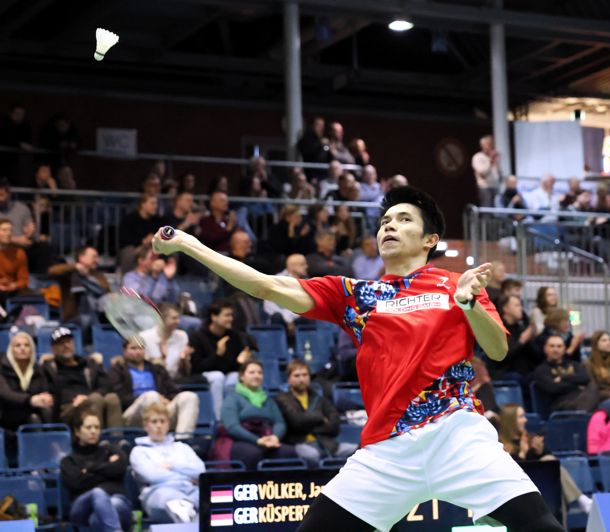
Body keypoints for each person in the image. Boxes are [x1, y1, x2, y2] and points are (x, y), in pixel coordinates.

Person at [152, 185, 565, 531]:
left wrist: (469, 303)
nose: (389, 226)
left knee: (541, 526)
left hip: (456, 434)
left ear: (429, 239)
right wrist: (190, 244)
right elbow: (265, 286)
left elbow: (497, 350)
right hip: (387, 448)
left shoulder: (456, 285)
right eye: (385, 221)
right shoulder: (356, 295)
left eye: (403, 219)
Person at [497, 404, 592, 514]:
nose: (525, 420)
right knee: (550, 466)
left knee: (550, 462)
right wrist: (523, 453)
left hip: (543, 483)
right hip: (520, 489)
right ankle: (581, 499)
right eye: (521, 417)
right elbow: (514, 470)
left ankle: (578, 503)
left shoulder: (530, 438)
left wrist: (540, 450)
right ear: (511, 421)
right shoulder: (501, 445)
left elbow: (552, 462)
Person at [130, 402, 204, 524]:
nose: (159, 425)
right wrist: (187, 476)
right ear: (146, 426)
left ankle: (188, 514)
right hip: (158, 493)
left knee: (208, 497)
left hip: (190, 491)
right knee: (173, 503)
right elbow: (152, 476)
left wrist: (172, 466)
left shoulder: (182, 447)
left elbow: (200, 470)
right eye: (154, 422)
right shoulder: (139, 451)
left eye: (162, 421)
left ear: (168, 424)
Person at [61, 407, 133, 532]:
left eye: (97, 427)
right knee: (97, 493)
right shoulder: (69, 461)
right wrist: (106, 469)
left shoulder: (110, 450)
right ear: (77, 431)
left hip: (116, 499)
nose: (93, 431)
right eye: (88, 427)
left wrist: (90, 469)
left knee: (97, 518)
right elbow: (77, 482)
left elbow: (120, 467)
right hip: (82, 507)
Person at [275, 360, 358, 468]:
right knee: (312, 455)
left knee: (357, 450)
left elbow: (335, 425)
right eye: (297, 375)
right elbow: (297, 421)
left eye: (305, 375)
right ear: (288, 379)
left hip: (326, 443)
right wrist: (321, 418)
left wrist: (308, 423)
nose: (301, 379)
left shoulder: (319, 399)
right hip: (299, 443)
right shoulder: (283, 398)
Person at [109, 337, 199, 435]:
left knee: (189, 397)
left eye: (140, 348)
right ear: (125, 350)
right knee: (151, 396)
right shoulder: (118, 370)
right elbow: (121, 397)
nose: (138, 352)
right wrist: (153, 397)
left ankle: (183, 438)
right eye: (133, 348)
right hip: (133, 414)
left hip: (162, 409)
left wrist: (166, 400)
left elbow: (173, 390)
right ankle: (153, 438)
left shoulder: (157, 368)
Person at [219, 360, 297, 470]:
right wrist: (257, 440)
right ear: (242, 376)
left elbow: (279, 422)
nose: (257, 376)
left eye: (260, 373)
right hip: (240, 440)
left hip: (267, 438)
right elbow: (232, 427)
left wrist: (275, 437)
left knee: (288, 452)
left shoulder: (268, 400)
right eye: (252, 372)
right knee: (253, 454)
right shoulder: (232, 398)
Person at [42, 327, 123, 427]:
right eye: (61, 343)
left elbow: (107, 386)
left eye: (68, 342)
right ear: (53, 349)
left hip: (91, 400)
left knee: (112, 398)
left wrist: (86, 397)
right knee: (96, 399)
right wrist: (75, 401)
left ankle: (117, 436)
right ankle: (95, 436)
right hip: (67, 408)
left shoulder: (89, 364)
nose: (66, 345)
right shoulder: (48, 368)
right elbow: (48, 394)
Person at [189, 300, 254, 419]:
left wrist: (239, 362)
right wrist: (217, 355)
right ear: (214, 317)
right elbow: (197, 367)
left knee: (234, 378)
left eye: (231, 315)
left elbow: (231, 367)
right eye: (227, 315)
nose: (231, 319)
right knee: (218, 377)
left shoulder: (234, 336)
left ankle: (232, 416)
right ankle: (219, 419)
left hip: (226, 374)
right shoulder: (197, 337)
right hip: (205, 374)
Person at [0, 331, 53, 462]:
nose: (22, 348)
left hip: (31, 415)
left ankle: (40, 460)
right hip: (7, 415)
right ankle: (44, 456)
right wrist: (31, 400)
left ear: (32, 349)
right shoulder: (2, 368)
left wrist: (45, 399)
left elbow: (44, 391)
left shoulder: (38, 369)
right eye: (18, 345)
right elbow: (5, 394)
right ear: (11, 349)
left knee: (41, 414)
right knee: (35, 418)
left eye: (26, 345)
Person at [533, 335, 598, 414]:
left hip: (582, 398)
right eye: (552, 346)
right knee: (591, 399)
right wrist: (577, 386)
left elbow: (585, 378)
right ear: (545, 349)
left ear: (564, 349)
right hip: (560, 405)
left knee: (593, 387)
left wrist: (563, 378)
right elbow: (553, 388)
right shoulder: (541, 369)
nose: (555, 349)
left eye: (559, 346)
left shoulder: (574, 364)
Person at [48, 245, 110, 327]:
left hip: (99, 315)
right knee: (86, 319)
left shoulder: (99, 275)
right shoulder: (70, 274)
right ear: (82, 258)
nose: (97, 260)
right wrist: (75, 267)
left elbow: (107, 292)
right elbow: (52, 271)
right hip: (74, 317)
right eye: (94, 257)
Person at [140, 302, 192, 380]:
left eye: (178, 318)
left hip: (175, 381)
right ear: (161, 318)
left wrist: (184, 360)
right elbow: (138, 364)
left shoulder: (182, 336)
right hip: (151, 379)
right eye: (174, 318)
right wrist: (153, 361)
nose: (178, 322)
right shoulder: (144, 337)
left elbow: (186, 371)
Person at [0, 217, 29, 303]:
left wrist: (14, 285)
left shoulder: (19, 253)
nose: (8, 233)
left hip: (11, 291)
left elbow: (24, 279)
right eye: (4, 230)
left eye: (10, 230)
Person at [472, 134, 501, 207]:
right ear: (482, 145)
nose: (491, 146)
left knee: (497, 209)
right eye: (488, 144)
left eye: (491, 144)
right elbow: (482, 172)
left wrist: (496, 163)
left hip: (495, 186)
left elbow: (498, 173)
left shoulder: (494, 157)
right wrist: (490, 162)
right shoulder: (478, 157)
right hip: (485, 187)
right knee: (487, 208)